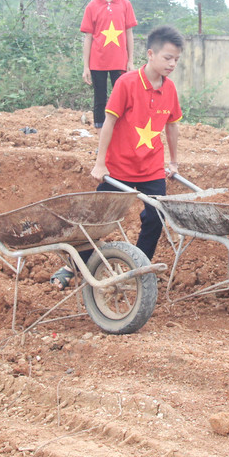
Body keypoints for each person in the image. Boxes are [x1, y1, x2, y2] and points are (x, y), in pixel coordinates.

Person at [51, 26, 184, 289]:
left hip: (152, 168)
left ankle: (138, 267)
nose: (172, 64)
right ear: (150, 54)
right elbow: (109, 122)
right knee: (99, 219)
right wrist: (100, 163)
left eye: (177, 59)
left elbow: (172, 125)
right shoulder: (127, 83)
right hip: (119, 167)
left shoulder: (170, 89)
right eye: (168, 57)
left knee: (156, 217)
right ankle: (74, 265)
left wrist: (174, 162)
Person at [81, 0, 136, 128]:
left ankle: (121, 137)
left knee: (123, 99)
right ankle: (101, 142)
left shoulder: (125, 4)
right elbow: (88, 37)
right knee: (100, 99)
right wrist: (86, 66)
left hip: (119, 61)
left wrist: (130, 60)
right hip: (98, 63)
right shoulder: (92, 7)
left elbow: (129, 33)